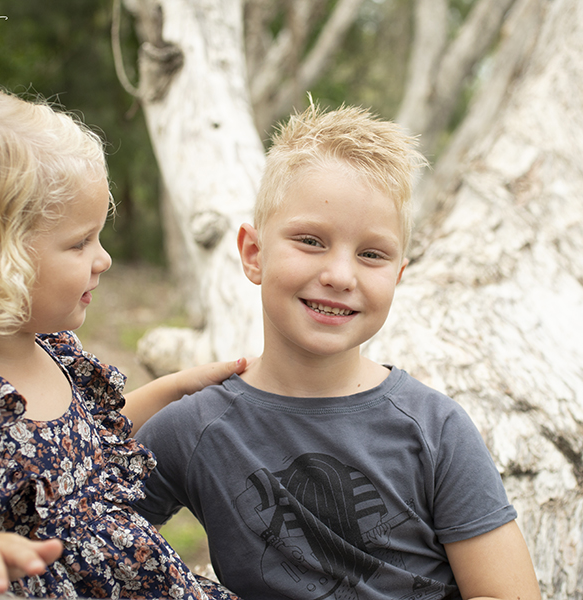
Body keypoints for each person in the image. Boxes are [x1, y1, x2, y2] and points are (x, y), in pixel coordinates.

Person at [135, 103, 542, 600]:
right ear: (253, 253)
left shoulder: (435, 429)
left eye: (371, 254)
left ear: (397, 275)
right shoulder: (196, 429)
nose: (340, 276)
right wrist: (165, 390)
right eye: (311, 241)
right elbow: (71, 518)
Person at [0, 74, 243, 599]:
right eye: (79, 243)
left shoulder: (50, 351)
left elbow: (75, 450)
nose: (104, 259)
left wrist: (174, 389)